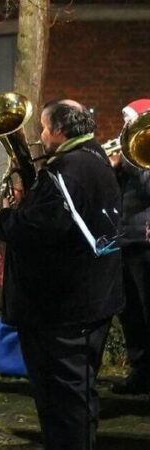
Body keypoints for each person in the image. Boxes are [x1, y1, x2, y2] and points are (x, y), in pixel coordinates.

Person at [0, 100, 123, 449]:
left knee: (63, 402)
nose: (40, 135)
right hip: (93, 299)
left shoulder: (64, 171)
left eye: (44, 128)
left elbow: (37, 229)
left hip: (63, 310)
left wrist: (7, 215)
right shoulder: (95, 157)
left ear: (60, 131)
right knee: (79, 395)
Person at [111, 98, 150, 395]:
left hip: (144, 242)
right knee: (131, 313)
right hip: (125, 239)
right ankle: (141, 370)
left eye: (129, 120)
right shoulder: (130, 151)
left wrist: (127, 161)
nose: (124, 127)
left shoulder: (141, 150)